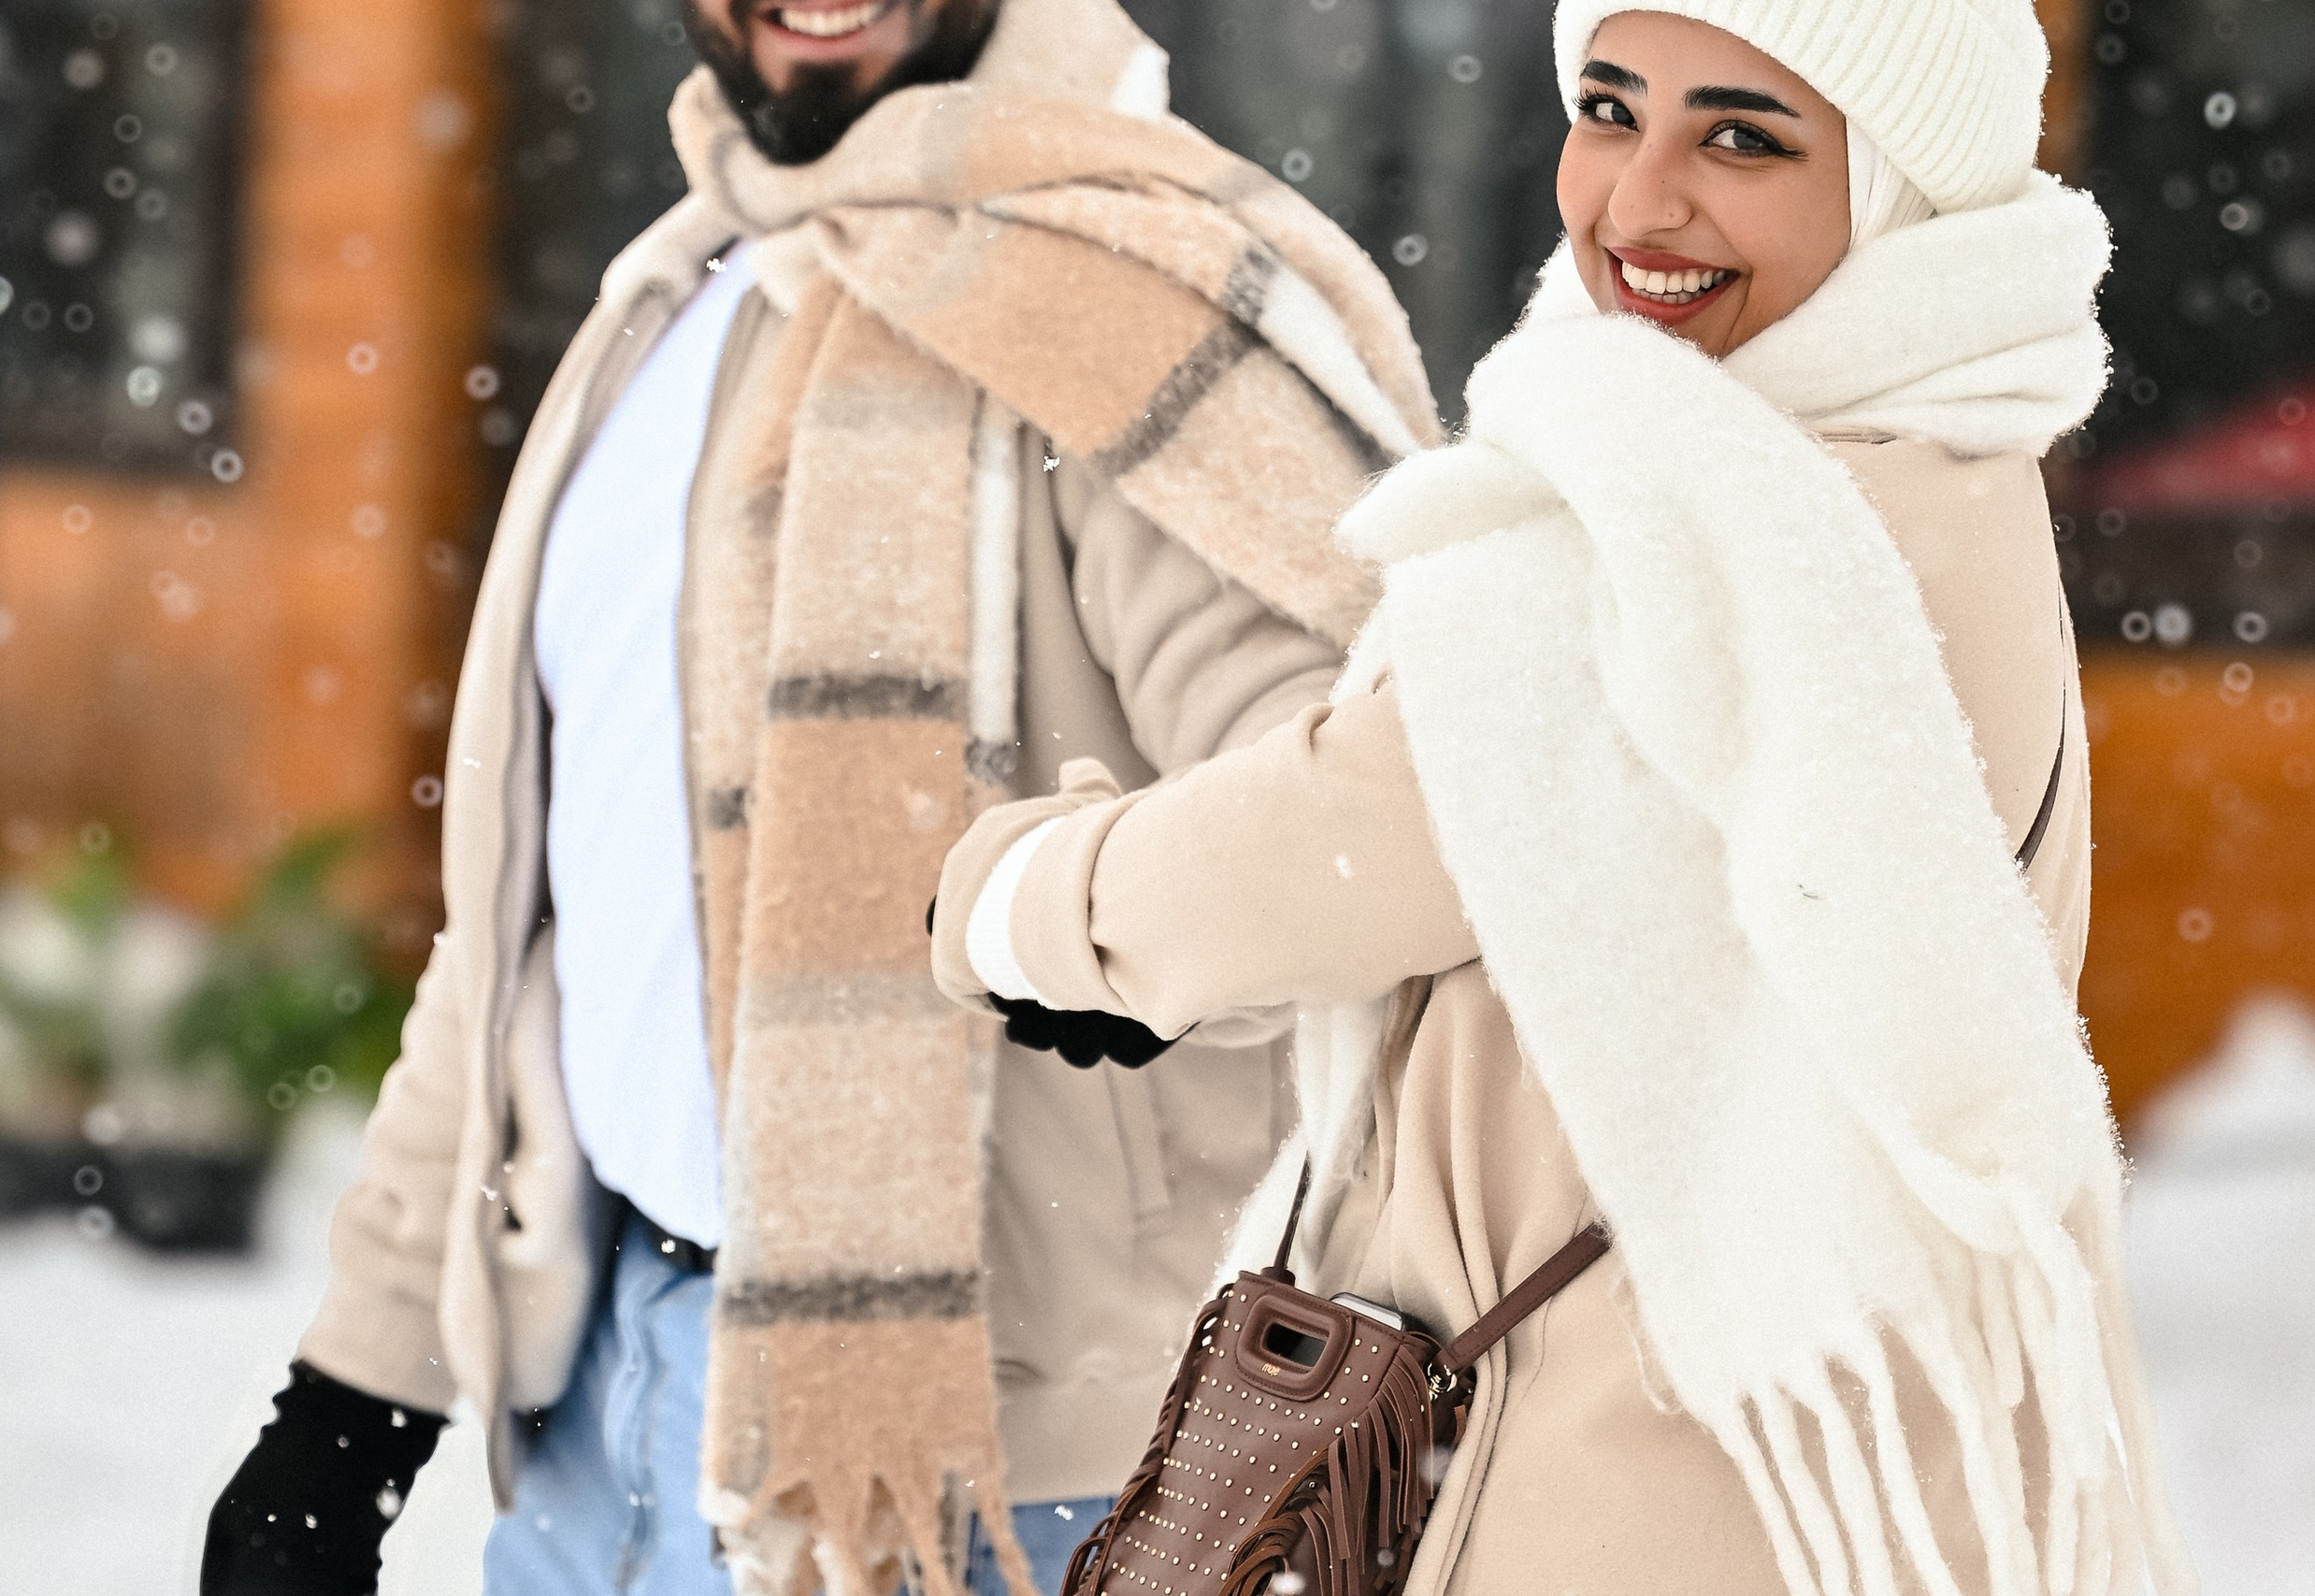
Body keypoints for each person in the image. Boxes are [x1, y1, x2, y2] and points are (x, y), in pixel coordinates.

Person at [931, 4, 2201, 1593]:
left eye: (1743, 137)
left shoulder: (1750, 517)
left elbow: (1377, 825)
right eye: (1610, 108)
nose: (1640, 199)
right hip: (1778, 1466)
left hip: (1638, 1490)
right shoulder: (1930, 457)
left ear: (1898, 186)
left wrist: (1027, 900)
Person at [199, 0, 1439, 1590]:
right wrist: (356, 1394)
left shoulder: (1131, 299)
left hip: (1002, 1474)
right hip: (602, 1421)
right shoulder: (675, 296)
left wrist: (1111, 931)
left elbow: (1375, 808)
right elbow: (539, 915)